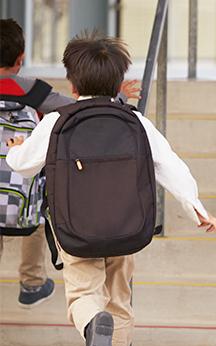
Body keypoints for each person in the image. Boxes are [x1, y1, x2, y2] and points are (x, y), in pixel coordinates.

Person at [6, 32, 216, 346]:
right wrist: (195, 207)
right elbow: (170, 164)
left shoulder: (57, 120)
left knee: (84, 293)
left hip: (75, 227)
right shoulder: (135, 120)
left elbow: (24, 166)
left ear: (72, 84)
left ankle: (92, 325)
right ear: (120, 82)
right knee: (119, 298)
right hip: (125, 226)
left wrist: (14, 151)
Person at [0, 18, 139, 308]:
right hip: (22, 184)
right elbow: (81, 107)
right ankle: (32, 282)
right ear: (20, 58)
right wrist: (120, 97)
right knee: (38, 210)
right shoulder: (32, 90)